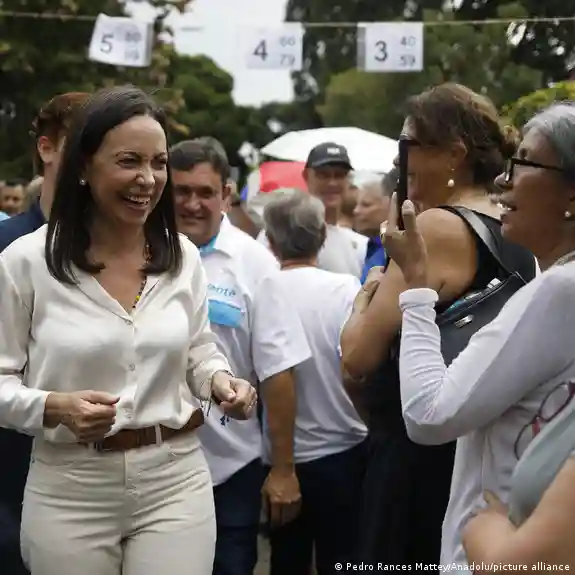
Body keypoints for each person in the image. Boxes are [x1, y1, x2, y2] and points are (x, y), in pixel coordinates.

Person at [0, 85, 256, 575]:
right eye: (129, 161)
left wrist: (220, 382)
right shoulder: (25, 262)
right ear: (82, 167)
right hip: (69, 487)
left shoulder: (182, 258)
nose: (148, 179)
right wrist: (54, 406)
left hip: (175, 480)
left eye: (158, 163)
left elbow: (200, 352)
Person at [340, 83, 537, 566]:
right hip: (482, 447)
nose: (397, 160)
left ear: (453, 154)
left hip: (417, 453)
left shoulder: (435, 229)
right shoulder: (514, 225)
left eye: (407, 144)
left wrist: (366, 292)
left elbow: (357, 356)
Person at [384, 101, 575, 568]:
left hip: (508, 547)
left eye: (524, 163)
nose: (503, 182)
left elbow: (428, 415)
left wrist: (416, 286)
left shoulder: (558, 291)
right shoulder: (548, 277)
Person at [170, 139, 310, 575]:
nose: (193, 203)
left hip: (231, 468)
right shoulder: (141, 254)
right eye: (182, 191)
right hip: (159, 463)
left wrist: (283, 469)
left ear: (227, 195)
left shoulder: (254, 264)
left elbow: (279, 371)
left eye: (205, 192)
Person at [0, 91, 89, 575]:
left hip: (97, 482)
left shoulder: (125, 251)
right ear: (47, 148)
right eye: (81, 144)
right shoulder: (6, 246)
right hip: (10, 474)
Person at [263, 189, 368, 575]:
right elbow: (359, 368)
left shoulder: (264, 290)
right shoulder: (346, 290)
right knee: (344, 559)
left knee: (286, 562)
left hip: (280, 460)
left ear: (271, 242)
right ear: (323, 236)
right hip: (345, 453)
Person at [258, 143, 368, 278]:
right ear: (306, 175)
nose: (332, 183)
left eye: (339, 175)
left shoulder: (359, 244)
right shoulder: (279, 233)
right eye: (323, 175)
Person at [0, 92, 89, 252]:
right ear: (46, 149)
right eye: (82, 145)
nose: (94, 158)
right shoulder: (6, 242)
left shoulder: (121, 246)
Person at [354, 169, 396, 283]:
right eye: (356, 204)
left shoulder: (395, 251)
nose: (356, 211)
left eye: (366, 205)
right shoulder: (368, 247)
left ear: (389, 204)